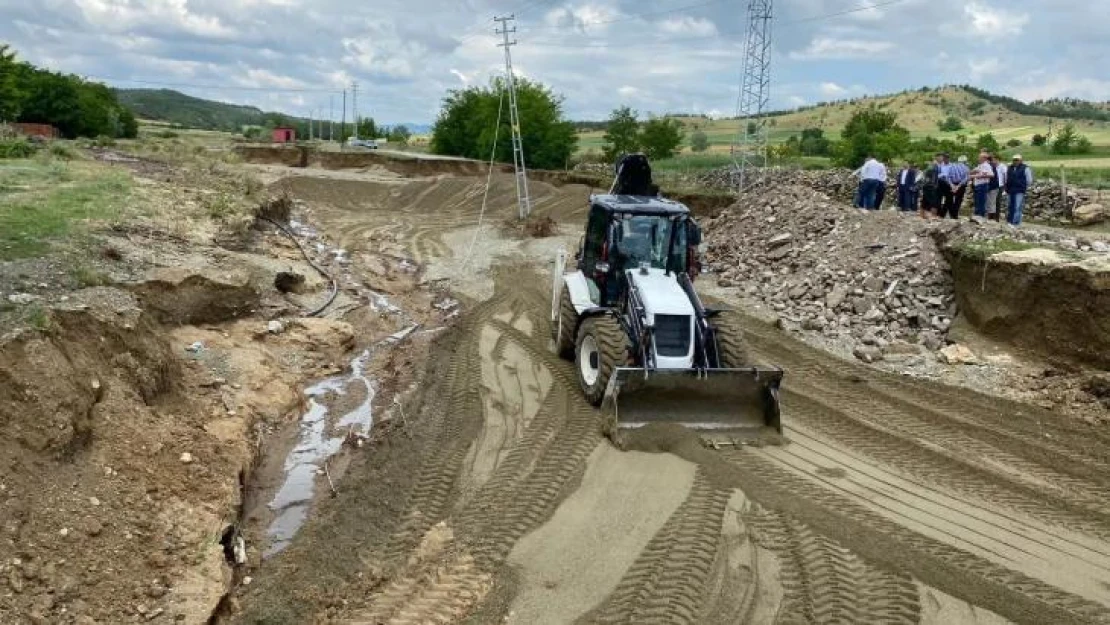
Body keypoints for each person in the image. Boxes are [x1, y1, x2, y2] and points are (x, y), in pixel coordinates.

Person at [1004, 154, 1033, 226]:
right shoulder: (1010, 168)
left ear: (1021, 160)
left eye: (1017, 160)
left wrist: (1023, 186)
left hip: (1019, 190)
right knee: (1010, 205)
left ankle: (1015, 222)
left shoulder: (1025, 168)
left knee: (1017, 206)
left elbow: (1029, 180)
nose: (1015, 161)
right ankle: (1011, 221)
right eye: (1014, 160)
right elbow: (1006, 178)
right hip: (1010, 189)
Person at [970, 152, 995, 218]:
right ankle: (977, 216)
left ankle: (980, 217)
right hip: (978, 185)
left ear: (984, 158)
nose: (978, 158)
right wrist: (972, 173)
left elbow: (992, 175)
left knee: (981, 202)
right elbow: (974, 171)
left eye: (979, 157)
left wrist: (976, 176)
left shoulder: (986, 165)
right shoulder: (980, 165)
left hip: (982, 185)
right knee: (977, 202)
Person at [991, 154, 1008, 221]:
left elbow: (1005, 176)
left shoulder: (1002, 166)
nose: (993, 161)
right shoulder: (993, 166)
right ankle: (991, 216)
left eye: (994, 160)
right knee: (992, 201)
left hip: (1000, 185)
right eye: (992, 160)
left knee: (997, 202)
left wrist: (1004, 186)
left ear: (997, 160)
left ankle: (997, 218)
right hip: (994, 186)